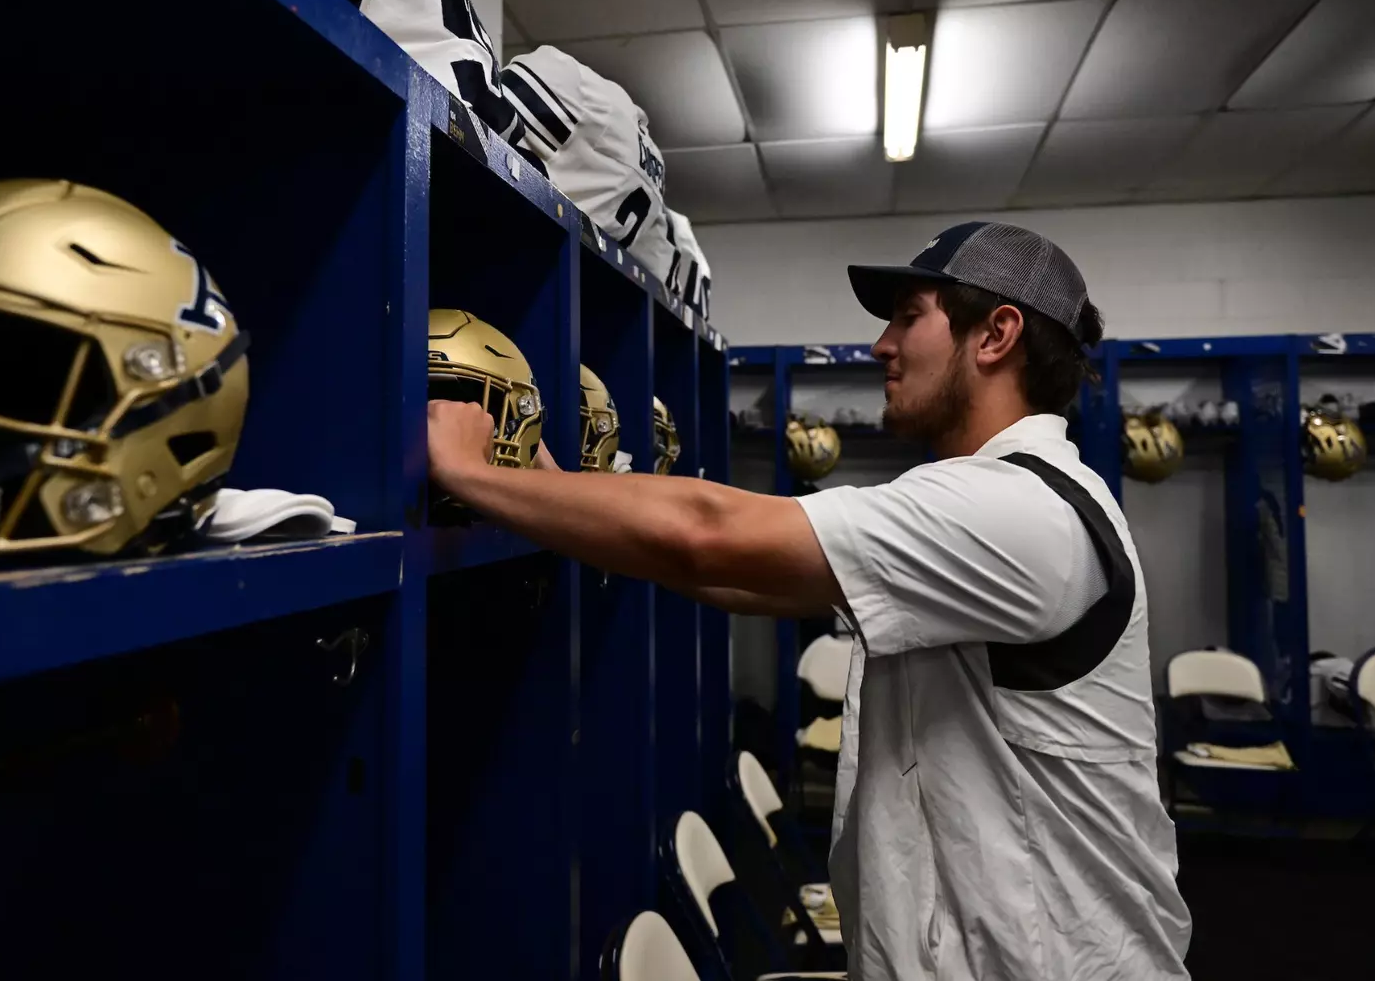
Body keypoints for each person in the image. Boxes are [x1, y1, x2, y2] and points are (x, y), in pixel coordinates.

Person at [427, 221, 1192, 979]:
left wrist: (470, 474)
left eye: (908, 317)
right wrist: (551, 490)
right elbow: (732, 579)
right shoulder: (1008, 502)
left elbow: (707, 533)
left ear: (996, 335)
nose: (881, 345)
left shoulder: (1018, 511)